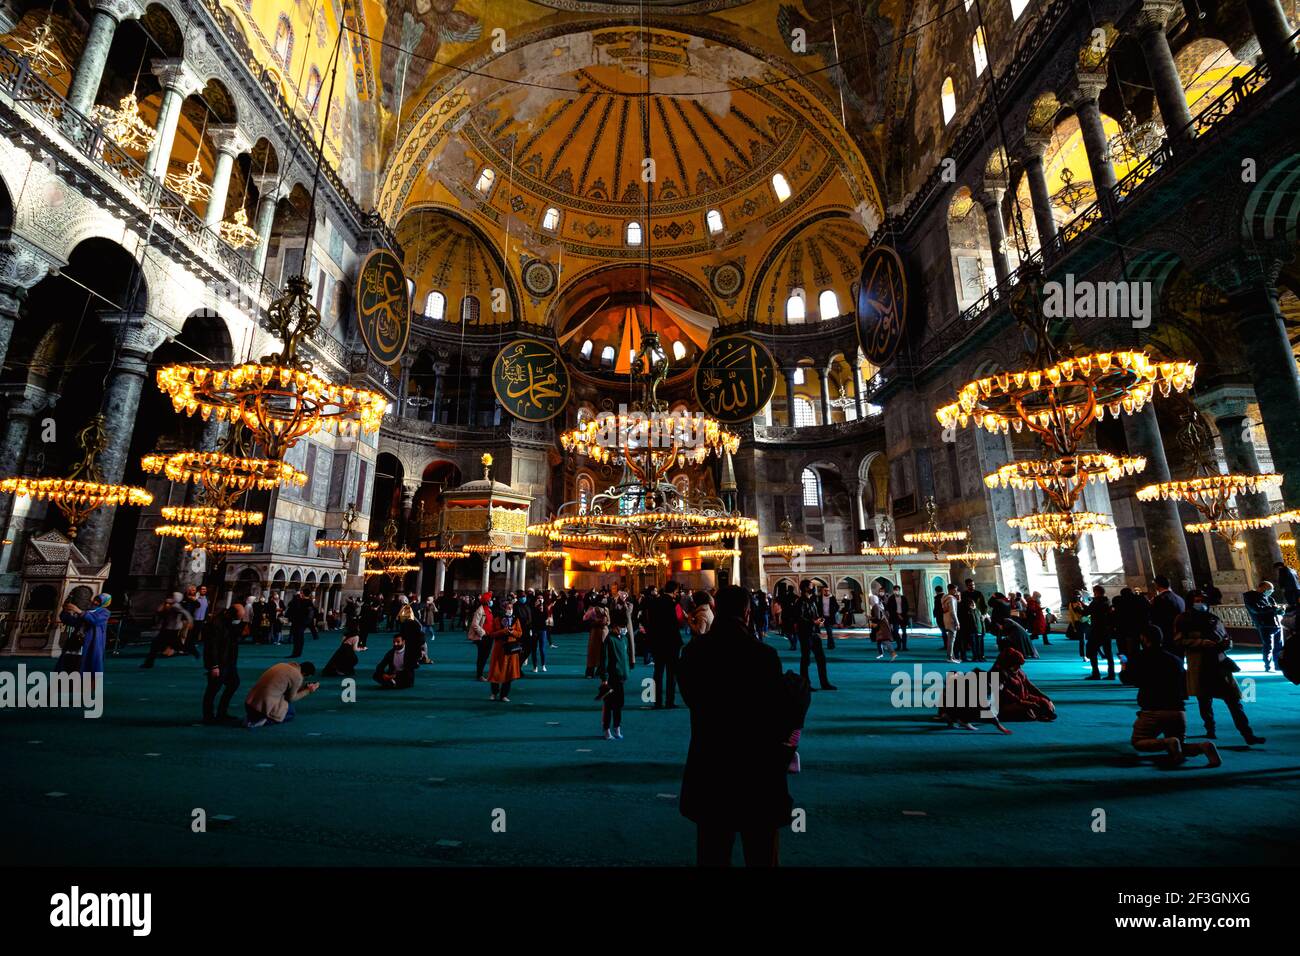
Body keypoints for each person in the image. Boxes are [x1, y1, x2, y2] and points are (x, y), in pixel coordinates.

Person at [677, 585, 801, 867]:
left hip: (710, 769)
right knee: (761, 855)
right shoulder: (763, 656)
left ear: (716, 609)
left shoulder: (694, 653)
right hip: (755, 773)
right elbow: (775, 716)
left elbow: (691, 698)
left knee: (712, 854)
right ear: (747, 612)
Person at [1121, 624, 1221, 767]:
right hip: (1177, 710)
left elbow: (1128, 679)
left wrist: (1124, 665)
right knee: (1181, 744)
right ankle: (1203, 746)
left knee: (1139, 742)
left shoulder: (1141, 657)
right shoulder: (1175, 659)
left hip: (1153, 710)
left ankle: (1168, 742)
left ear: (1144, 638)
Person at [1174, 591, 1265, 746]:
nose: (1200, 603)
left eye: (1202, 600)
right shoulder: (1184, 619)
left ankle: (1247, 734)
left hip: (1219, 664)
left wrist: (1225, 644)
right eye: (1197, 600)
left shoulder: (1212, 618)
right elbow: (1179, 640)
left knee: (1234, 700)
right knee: (1204, 700)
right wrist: (1202, 643)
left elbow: (1226, 637)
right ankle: (1210, 728)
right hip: (1200, 664)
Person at [59, 593, 111, 691]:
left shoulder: (105, 612)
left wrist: (78, 611)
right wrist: (65, 611)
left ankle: (86, 691)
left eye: (99, 601)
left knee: (90, 666)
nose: (95, 602)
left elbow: (94, 620)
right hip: (77, 643)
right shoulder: (87, 611)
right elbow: (72, 622)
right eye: (95, 599)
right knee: (72, 664)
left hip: (92, 644)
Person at [202, 603, 245, 724]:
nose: (239, 620)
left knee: (234, 683)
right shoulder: (216, 624)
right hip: (219, 662)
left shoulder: (229, 622)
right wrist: (214, 665)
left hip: (229, 661)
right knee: (213, 689)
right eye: (238, 618)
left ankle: (222, 712)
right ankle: (208, 716)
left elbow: (234, 639)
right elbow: (212, 647)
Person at [244, 661, 319, 728]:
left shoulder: (282, 665)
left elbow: (281, 687)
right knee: (291, 712)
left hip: (249, 703)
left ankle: (253, 717)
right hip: (261, 709)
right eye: (305, 677)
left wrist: (303, 687)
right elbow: (291, 698)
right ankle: (263, 721)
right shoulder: (297, 676)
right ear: (304, 673)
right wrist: (308, 691)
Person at [646, 581, 685, 708]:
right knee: (671, 673)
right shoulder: (674, 605)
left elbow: (649, 622)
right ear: (674, 591)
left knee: (658, 672)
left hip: (658, 641)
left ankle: (657, 702)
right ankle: (669, 701)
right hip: (672, 642)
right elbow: (678, 623)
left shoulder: (654, 602)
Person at [992, 647, 1056, 721]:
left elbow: (1030, 686)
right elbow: (1007, 694)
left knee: (1044, 702)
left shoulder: (1018, 671)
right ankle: (1040, 715)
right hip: (1008, 702)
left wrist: (1047, 698)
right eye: (1018, 664)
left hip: (1023, 698)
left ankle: (1042, 714)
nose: (1019, 667)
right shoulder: (997, 674)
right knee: (1028, 712)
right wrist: (1025, 703)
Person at [794, 579, 836, 690]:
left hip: (814, 633)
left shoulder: (811, 601)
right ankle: (806, 685)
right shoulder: (800, 602)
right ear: (806, 588)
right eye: (811, 586)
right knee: (806, 659)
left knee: (821, 659)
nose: (813, 588)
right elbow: (799, 618)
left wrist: (819, 620)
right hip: (805, 634)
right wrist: (813, 622)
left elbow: (815, 615)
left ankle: (824, 683)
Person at [599, 610, 630, 740]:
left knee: (619, 704)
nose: (624, 629)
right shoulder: (609, 640)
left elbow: (625, 657)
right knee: (609, 705)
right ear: (615, 626)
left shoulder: (624, 639)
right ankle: (606, 729)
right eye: (622, 627)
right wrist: (604, 678)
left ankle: (617, 727)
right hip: (611, 677)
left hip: (621, 677)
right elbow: (604, 660)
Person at [1243, 581, 1285, 672]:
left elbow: (1276, 610)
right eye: (1269, 589)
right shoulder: (1250, 598)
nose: (1271, 591)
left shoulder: (1269, 598)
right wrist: (1274, 608)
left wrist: (1281, 610)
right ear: (1260, 588)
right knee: (1268, 647)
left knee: (1279, 646)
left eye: (1271, 589)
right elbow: (1256, 610)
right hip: (1265, 625)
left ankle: (1278, 665)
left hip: (1277, 624)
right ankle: (1268, 666)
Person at [142, 593, 193, 668]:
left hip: (171, 630)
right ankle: (148, 663)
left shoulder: (176, 606)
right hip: (167, 629)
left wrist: (190, 622)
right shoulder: (169, 604)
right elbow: (159, 611)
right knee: (159, 645)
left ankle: (148, 663)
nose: (170, 598)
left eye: (172, 596)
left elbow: (186, 613)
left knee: (158, 645)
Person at [488, 600, 524, 701]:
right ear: (503, 609)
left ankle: (504, 695)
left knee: (509, 673)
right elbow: (492, 634)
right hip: (499, 649)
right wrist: (503, 631)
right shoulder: (497, 619)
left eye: (511, 608)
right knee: (496, 671)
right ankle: (494, 693)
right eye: (508, 608)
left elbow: (520, 633)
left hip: (511, 649)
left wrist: (513, 632)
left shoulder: (515, 619)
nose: (510, 610)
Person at [1085, 585, 1115, 680]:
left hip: (1096, 630)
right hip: (1106, 629)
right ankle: (1111, 673)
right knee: (1108, 653)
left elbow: (1086, 612)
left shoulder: (1095, 602)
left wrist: (1081, 607)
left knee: (1092, 651)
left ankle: (1096, 673)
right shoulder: (1107, 601)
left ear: (1096, 592)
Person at [1149, 575, 1185, 652]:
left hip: (1166, 635)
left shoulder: (1159, 599)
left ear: (1157, 585)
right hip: (1180, 634)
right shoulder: (1179, 598)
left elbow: (1155, 617)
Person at [468, 592, 494, 681]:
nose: (491, 600)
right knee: (482, 656)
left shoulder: (489, 609)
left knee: (486, 656)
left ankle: (481, 673)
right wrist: (483, 632)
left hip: (490, 636)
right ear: (486, 600)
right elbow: (474, 624)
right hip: (483, 637)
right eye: (490, 599)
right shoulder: (480, 610)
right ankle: (479, 674)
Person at [583, 597, 610, 679]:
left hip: (603, 633)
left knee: (603, 653)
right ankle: (590, 672)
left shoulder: (606, 609)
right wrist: (598, 621)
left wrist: (605, 621)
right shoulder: (592, 609)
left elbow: (609, 621)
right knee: (593, 653)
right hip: (595, 633)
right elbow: (585, 619)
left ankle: (600, 670)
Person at [285, 590, 315, 658]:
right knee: (297, 637)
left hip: (301, 622)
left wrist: (306, 621)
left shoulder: (307, 602)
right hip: (299, 622)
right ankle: (297, 653)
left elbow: (309, 614)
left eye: (301, 593)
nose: (300, 594)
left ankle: (296, 653)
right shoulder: (303, 601)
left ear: (303, 594)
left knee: (298, 638)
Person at [884, 583, 909, 651]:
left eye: (897, 590)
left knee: (904, 632)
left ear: (899, 590)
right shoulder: (891, 598)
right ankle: (898, 645)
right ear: (893, 590)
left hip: (903, 617)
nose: (896, 591)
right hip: (895, 617)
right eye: (895, 590)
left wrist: (902, 614)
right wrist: (897, 615)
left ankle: (904, 646)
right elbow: (889, 608)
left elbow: (906, 607)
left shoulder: (903, 598)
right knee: (895, 631)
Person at [941, 583, 961, 662]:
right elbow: (953, 611)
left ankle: (950, 656)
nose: (956, 592)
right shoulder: (951, 598)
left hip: (946, 618)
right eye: (955, 590)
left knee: (950, 639)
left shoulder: (944, 597)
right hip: (952, 619)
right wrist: (957, 622)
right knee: (951, 639)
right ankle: (950, 657)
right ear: (950, 590)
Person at [818, 585, 839, 649]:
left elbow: (837, 607)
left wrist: (833, 612)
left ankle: (831, 645)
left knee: (829, 631)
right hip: (823, 617)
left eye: (828, 590)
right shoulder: (820, 598)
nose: (826, 592)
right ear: (822, 591)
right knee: (820, 631)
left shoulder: (832, 598)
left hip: (830, 617)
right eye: (825, 590)